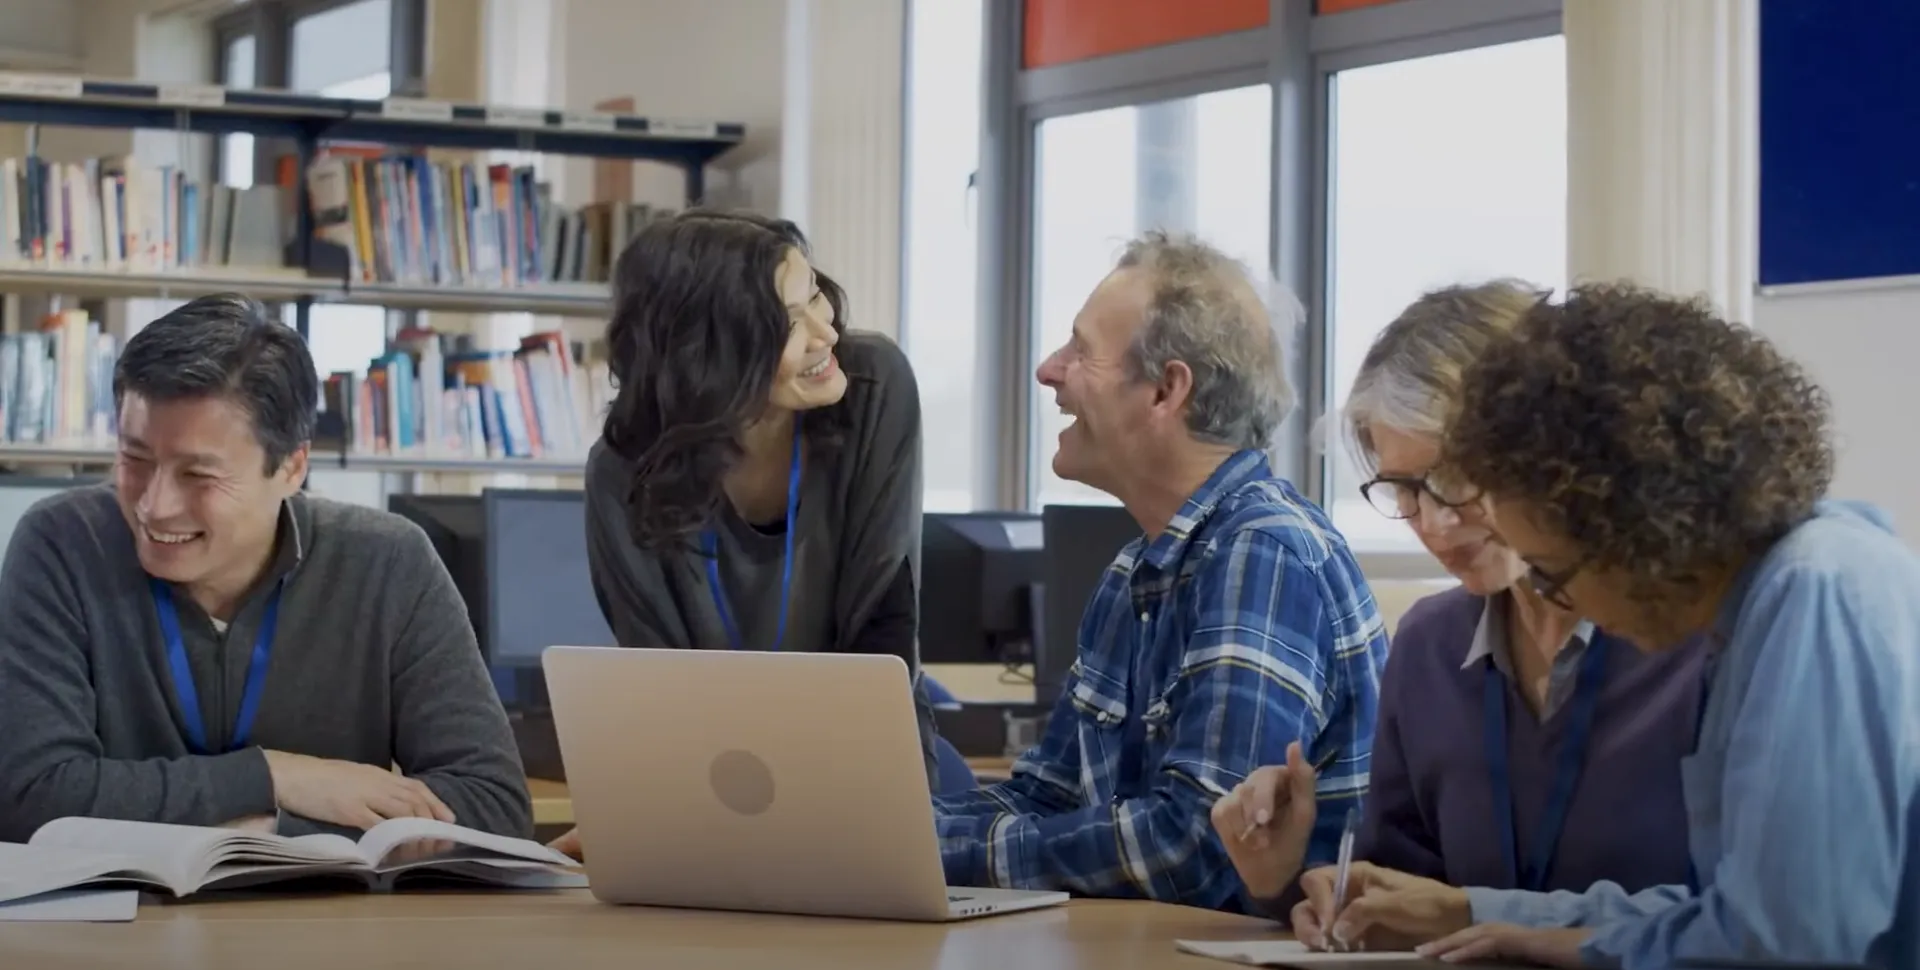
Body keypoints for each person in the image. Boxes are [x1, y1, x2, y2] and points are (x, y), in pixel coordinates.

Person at [1403, 282, 1918, 968]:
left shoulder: (1817, 591)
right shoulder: (1764, 604)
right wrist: (1510, 920)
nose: (1562, 602)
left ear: (1632, 524)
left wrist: (1586, 948)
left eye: (1551, 572)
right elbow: (1730, 908)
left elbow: (1790, 940)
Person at [1216, 282, 1706, 949]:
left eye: (1457, 477)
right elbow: (1403, 898)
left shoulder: (1701, 636)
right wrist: (1292, 882)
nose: (1436, 524)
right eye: (1405, 490)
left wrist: (1478, 913)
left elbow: (1749, 917)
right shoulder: (1429, 645)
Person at [931, 230, 1388, 913]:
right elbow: (1047, 796)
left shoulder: (1264, 553)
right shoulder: (1133, 572)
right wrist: (884, 836)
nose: (1049, 370)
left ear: (1166, 390)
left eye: (1080, 349)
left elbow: (1196, 847)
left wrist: (929, 849)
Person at [0, 294, 533, 843]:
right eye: (135, 459)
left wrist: (270, 825)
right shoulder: (62, 545)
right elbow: (28, 798)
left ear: (291, 468)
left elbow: (492, 806)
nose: (154, 506)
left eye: (198, 475)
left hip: (324, 900)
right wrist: (275, 777)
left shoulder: (389, 563)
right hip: (116, 903)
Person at [555, 211, 937, 859]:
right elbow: (659, 688)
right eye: (788, 322)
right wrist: (642, 818)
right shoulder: (624, 471)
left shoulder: (875, 387)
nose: (826, 332)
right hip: (715, 788)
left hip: (869, 769)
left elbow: (884, 634)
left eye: (815, 295)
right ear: (707, 352)